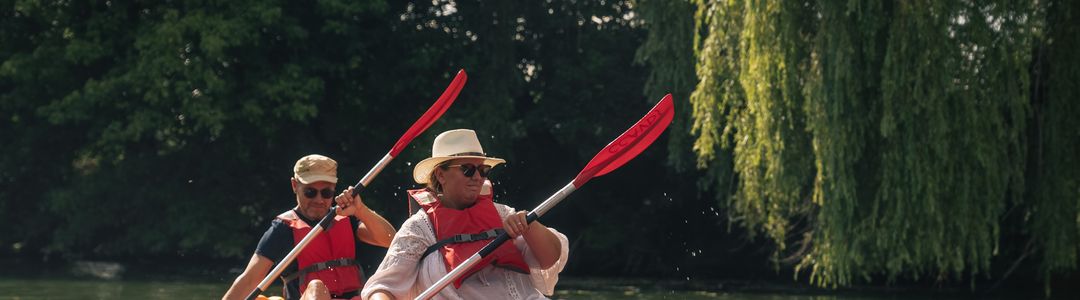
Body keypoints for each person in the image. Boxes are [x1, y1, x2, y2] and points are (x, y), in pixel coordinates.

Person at [362, 129, 569, 300]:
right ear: (440, 175)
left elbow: (550, 258)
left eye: (483, 170)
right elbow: (382, 288)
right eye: (468, 170)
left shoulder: (504, 214)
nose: (478, 177)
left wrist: (530, 225)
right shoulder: (419, 228)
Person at [224, 154, 398, 300]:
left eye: (327, 192)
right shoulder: (282, 230)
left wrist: (361, 210)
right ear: (295, 186)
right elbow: (249, 280)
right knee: (316, 288)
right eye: (310, 192)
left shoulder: (348, 218)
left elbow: (390, 240)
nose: (319, 200)